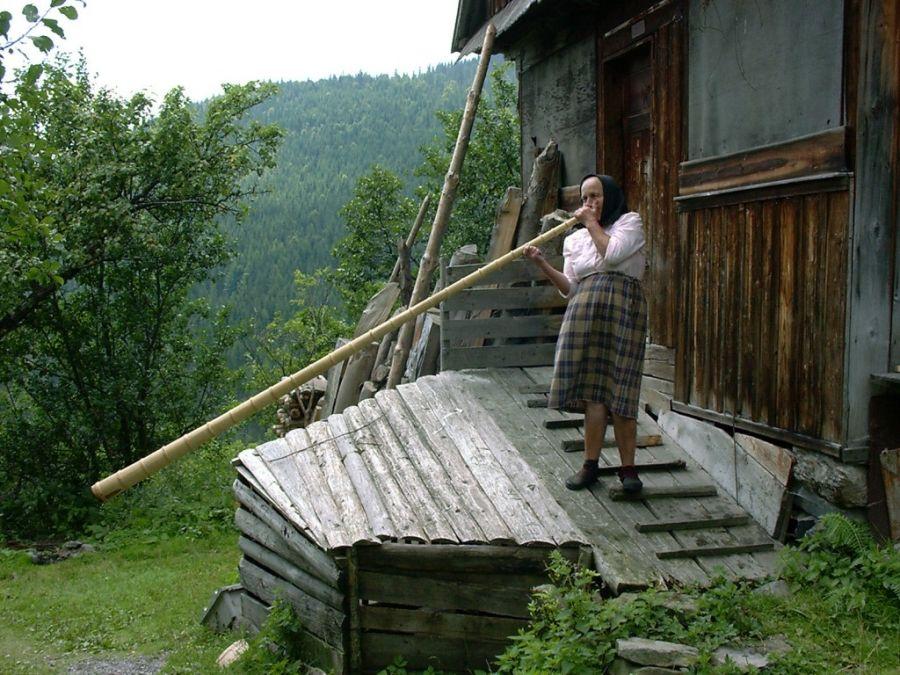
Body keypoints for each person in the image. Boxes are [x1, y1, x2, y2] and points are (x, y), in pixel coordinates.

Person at [523, 174, 647, 493]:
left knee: (621, 388)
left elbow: (614, 255)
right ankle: (590, 465)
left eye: (596, 196)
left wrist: (591, 222)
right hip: (584, 309)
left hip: (622, 308)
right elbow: (571, 287)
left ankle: (628, 471)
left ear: (612, 196)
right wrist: (542, 265)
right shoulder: (573, 240)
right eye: (584, 198)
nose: (588, 203)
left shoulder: (629, 223)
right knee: (594, 391)